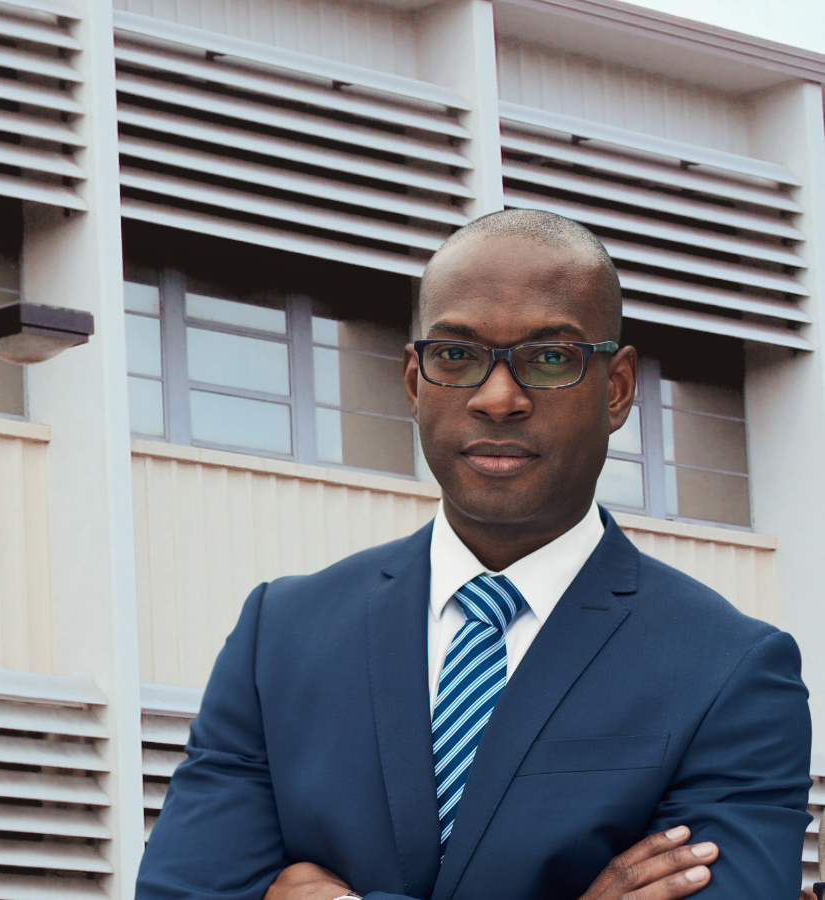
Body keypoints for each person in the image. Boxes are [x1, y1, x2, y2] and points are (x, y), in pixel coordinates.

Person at [135, 209, 812, 900]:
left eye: (551, 359)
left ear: (617, 389)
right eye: (456, 356)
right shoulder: (279, 636)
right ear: (413, 381)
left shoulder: (730, 673)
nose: (498, 397)